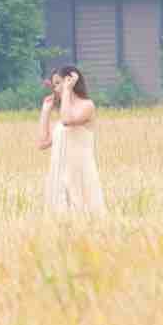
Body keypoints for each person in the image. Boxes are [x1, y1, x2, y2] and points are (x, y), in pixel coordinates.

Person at [36, 63, 105, 216]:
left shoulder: (87, 106)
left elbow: (68, 120)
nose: (55, 89)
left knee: (84, 215)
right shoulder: (63, 113)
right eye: (54, 85)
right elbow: (42, 143)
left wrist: (67, 90)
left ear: (70, 81)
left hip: (79, 174)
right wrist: (45, 111)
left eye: (58, 83)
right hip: (60, 173)